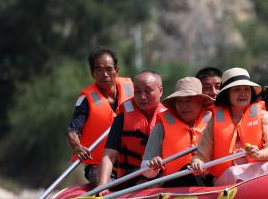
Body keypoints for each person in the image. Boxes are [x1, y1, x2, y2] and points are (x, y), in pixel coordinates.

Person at [190, 67, 268, 186]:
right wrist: (197, 162)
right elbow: (201, 156)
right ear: (227, 94)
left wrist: (258, 154)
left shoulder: (264, 116)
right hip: (226, 181)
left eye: (246, 89)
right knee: (234, 173)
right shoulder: (214, 121)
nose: (243, 94)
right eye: (237, 89)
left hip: (259, 174)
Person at [67, 47, 134, 184]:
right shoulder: (86, 100)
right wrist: (77, 146)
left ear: (117, 70)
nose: (105, 74)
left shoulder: (133, 89)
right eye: (99, 70)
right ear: (93, 74)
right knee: (106, 184)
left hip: (131, 163)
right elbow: (72, 131)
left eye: (109, 69)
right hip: (98, 166)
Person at [96, 71, 166, 188]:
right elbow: (109, 156)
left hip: (162, 177)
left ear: (161, 91)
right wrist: (101, 185)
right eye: (137, 92)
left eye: (148, 91)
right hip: (130, 177)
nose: (142, 96)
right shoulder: (122, 119)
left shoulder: (170, 119)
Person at [140, 77, 213, 187]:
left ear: (201, 101)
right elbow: (146, 172)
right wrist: (153, 166)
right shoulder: (161, 126)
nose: (184, 106)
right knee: (188, 172)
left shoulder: (212, 122)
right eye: (179, 101)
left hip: (210, 185)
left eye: (189, 100)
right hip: (174, 186)